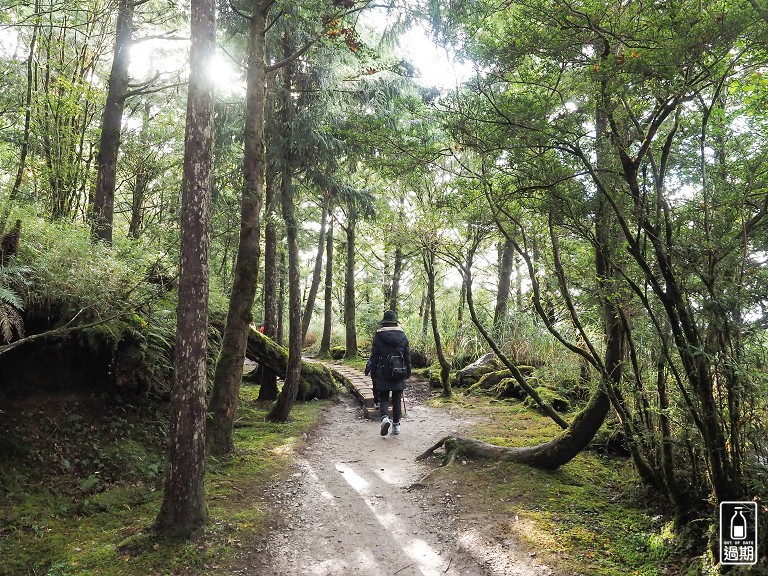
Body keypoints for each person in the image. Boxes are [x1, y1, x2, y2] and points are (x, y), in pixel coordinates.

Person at [364, 310, 411, 436]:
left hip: (382, 371)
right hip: (399, 371)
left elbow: (374, 357)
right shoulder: (403, 336)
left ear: (384, 323)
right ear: (395, 322)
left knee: (383, 397)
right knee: (396, 398)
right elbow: (407, 356)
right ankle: (396, 426)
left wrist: (373, 372)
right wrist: (408, 371)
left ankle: (384, 418)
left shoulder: (378, 336)